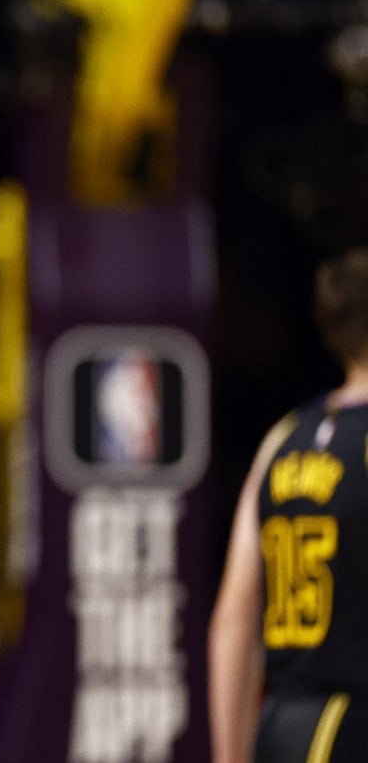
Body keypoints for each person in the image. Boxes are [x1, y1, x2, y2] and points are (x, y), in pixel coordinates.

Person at [208, 247, 368, 762]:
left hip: (280, 725)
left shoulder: (282, 438)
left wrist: (231, 754)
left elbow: (234, 617)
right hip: (351, 726)